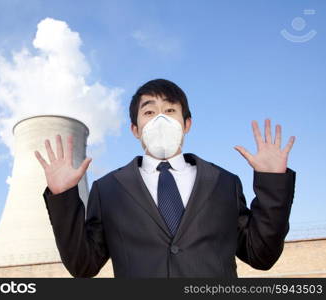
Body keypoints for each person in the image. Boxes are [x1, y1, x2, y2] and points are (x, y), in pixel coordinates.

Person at [34, 79, 296, 278]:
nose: (160, 119)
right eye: (149, 112)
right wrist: (64, 196)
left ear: (187, 124)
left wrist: (273, 181)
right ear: (135, 130)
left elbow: (261, 255)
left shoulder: (224, 183)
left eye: (170, 110)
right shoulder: (108, 189)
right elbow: (83, 265)